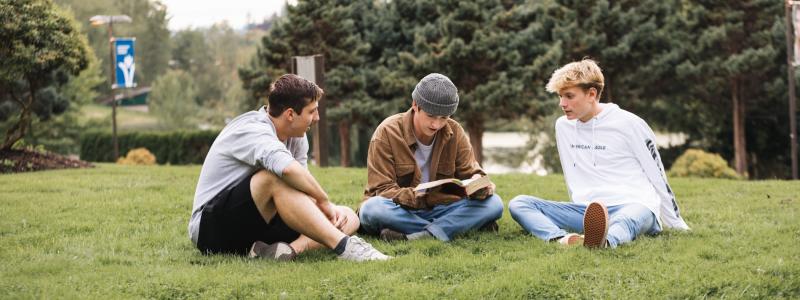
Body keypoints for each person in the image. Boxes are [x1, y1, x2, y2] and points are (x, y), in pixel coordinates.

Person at [188, 74, 390, 261]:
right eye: (312, 111)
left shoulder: (297, 137)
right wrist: (324, 201)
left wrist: (328, 212)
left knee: (347, 216)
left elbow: (301, 186)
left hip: (259, 225)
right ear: (290, 114)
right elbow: (287, 171)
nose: (317, 118)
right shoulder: (253, 130)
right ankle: (346, 247)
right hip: (211, 230)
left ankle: (285, 251)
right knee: (273, 177)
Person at [508, 59, 690, 248]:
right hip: (588, 211)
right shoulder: (563, 126)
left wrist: (675, 223)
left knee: (627, 219)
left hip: (634, 205)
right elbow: (571, 173)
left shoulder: (630, 124)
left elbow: (657, 174)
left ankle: (605, 242)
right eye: (560, 96)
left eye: (569, 96)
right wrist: (579, 205)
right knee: (520, 204)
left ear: (591, 94)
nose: (562, 103)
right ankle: (562, 239)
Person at [358, 73, 504, 242]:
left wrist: (480, 184)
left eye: (444, 118)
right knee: (371, 210)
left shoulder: (455, 131)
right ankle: (455, 227)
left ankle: (420, 235)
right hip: (402, 209)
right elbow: (383, 191)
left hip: (441, 208)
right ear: (415, 105)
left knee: (494, 204)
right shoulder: (387, 133)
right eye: (431, 116)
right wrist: (424, 197)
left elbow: (471, 173)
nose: (436, 124)